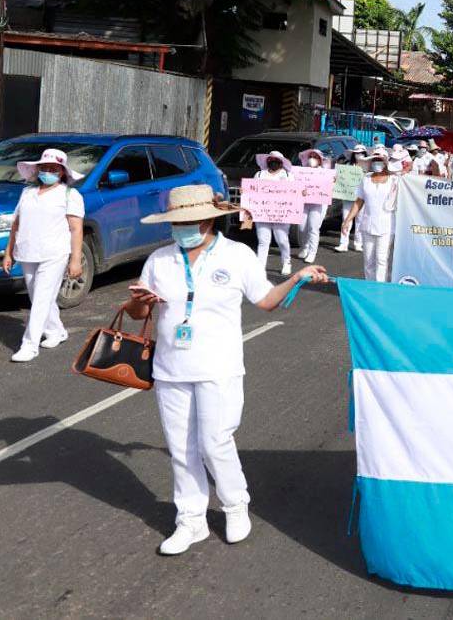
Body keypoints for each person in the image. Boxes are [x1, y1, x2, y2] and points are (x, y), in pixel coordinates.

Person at [124, 184, 328, 555]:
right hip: (171, 368)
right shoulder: (160, 260)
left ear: (208, 221)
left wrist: (297, 278)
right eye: (176, 223)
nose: (181, 229)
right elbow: (140, 312)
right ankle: (191, 520)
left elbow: (265, 300)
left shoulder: (237, 255)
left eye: (189, 222)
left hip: (219, 366)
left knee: (215, 442)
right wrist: (139, 302)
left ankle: (235, 505)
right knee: (181, 448)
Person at [2, 148, 85, 362]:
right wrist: (8, 253)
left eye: (53, 169)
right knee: (38, 296)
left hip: (55, 253)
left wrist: (75, 260)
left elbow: (76, 229)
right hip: (27, 251)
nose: (48, 171)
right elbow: (16, 224)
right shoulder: (27, 193)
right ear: (37, 169)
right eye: (44, 168)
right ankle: (56, 330)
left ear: (62, 172)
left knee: (40, 298)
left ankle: (29, 345)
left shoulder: (70, 195)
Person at [342, 151, 400, 282]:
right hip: (367, 224)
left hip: (387, 225)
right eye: (374, 160)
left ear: (385, 163)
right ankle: (369, 286)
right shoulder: (366, 179)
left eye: (379, 160)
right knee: (368, 260)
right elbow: (359, 201)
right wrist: (347, 220)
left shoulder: (394, 180)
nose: (376, 163)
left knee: (381, 259)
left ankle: (380, 289)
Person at [251, 151, 293, 275]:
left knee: (281, 239)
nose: (273, 162)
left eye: (276, 160)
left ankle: (286, 262)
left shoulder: (287, 175)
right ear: (267, 161)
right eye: (271, 160)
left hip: (281, 213)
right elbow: (252, 191)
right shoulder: (259, 175)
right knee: (263, 241)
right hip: (263, 213)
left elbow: (295, 193)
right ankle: (260, 265)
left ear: (281, 162)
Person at [296, 149, 330, 265]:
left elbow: (329, 187)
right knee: (301, 227)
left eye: (315, 157)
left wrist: (333, 180)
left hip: (318, 204)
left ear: (320, 160)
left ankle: (312, 252)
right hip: (304, 203)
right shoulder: (302, 171)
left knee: (313, 228)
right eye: (310, 156)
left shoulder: (325, 172)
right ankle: (305, 247)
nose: (312, 159)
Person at [335, 145, 368, 253]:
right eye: (357, 153)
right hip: (348, 197)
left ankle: (358, 243)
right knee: (346, 219)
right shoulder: (347, 165)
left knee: (360, 220)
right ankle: (343, 243)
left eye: (362, 153)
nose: (360, 155)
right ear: (353, 154)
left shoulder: (368, 166)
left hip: (361, 198)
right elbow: (341, 178)